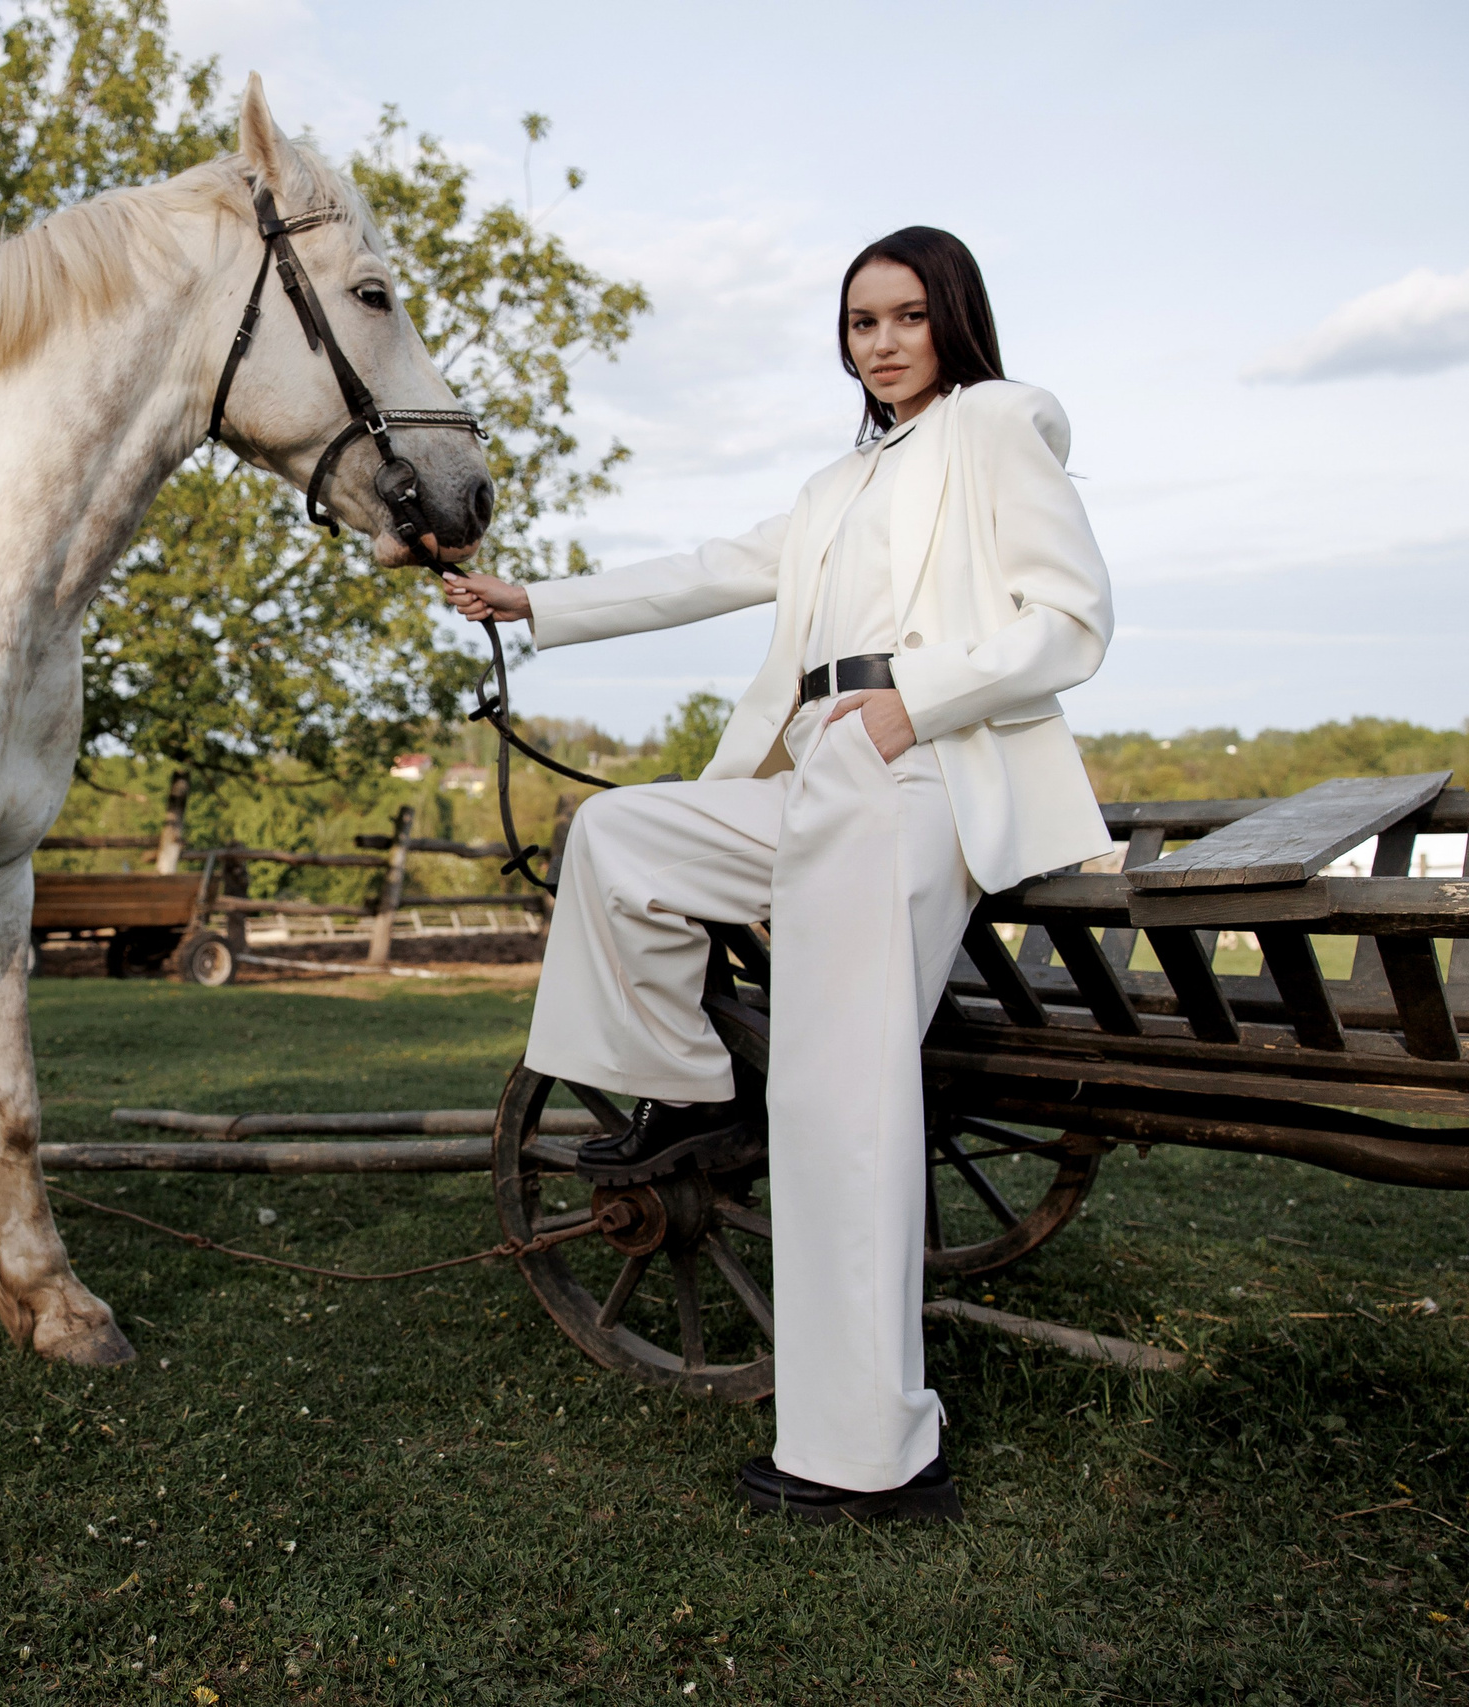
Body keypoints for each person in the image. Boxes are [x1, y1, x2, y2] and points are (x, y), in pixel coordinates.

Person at [442, 226, 1113, 1524]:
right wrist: (536, 602)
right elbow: (706, 574)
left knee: (840, 1107)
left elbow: (1073, 621)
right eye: (862, 322)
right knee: (620, 836)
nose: (883, 342)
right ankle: (687, 1089)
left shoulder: (996, 426)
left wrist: (915, 705)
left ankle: (872, 1458)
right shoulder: (836, 485)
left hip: (912, 766)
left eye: (908, 315)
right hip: (812, 766)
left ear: (953, 319)